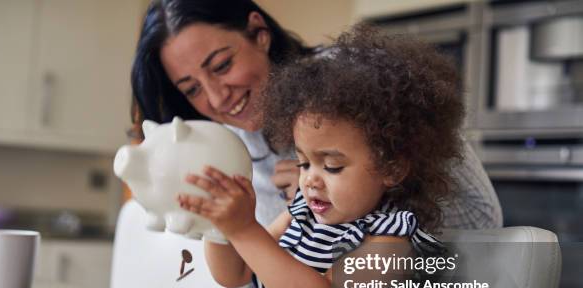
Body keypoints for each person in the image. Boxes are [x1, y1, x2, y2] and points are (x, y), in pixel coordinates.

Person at [177, 25, 465, 288]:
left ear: (392, 168)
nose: (310, 179)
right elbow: (234, 273)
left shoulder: (392, 241)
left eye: (332, 166)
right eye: (303, 162)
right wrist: (219, 225)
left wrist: (245, 229)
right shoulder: (299, 216)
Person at [130, 0, 502, 229]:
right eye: (192, 88)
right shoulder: (236, 143)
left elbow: (481, 219)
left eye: (222, 64)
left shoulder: (352, 83)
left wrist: (349, 202)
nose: (216, 96)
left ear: (259, 32)